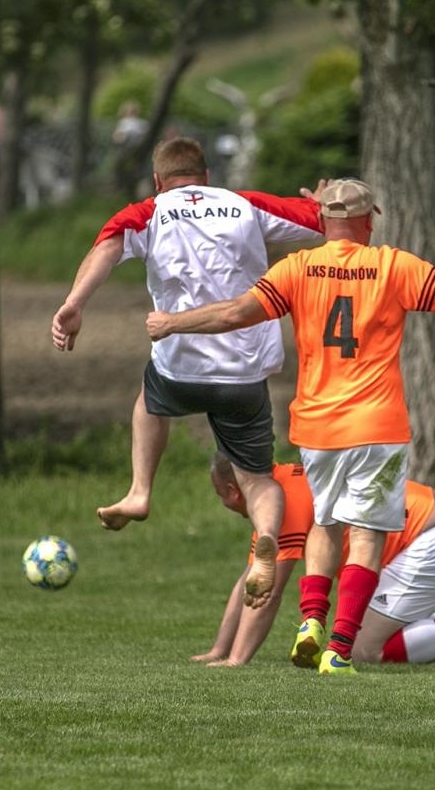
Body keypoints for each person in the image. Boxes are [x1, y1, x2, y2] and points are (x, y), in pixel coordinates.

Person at [147, 179, 435, 674]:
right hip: (375, 425)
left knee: (326, 526)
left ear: (322, 220)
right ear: (369, 220)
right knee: (369, 534)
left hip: (316, 427)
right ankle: (338, 647)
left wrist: (172, 323)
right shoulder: (391, 265)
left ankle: (311, 620)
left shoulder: (296, 267)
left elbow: (233, 313)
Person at [51, 137, 323, 604]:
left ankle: (139, 491)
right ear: (207, 176)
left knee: (149, 401)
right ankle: (267, 533)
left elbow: (107, 248)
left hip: (180, 367)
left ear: (158, 181)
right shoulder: (244, 205)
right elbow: (321, 225)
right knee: (257, 479)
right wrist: (320, 205)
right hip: (243, 373)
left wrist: (74, 304)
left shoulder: (148, 211)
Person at [194, 456, 435, 667]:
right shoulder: (277, 485)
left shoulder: (279, 503)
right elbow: (250, 580)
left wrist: (237, 660)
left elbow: (268, 594)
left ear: (231, 490)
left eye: (218, 495)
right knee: (365, 630)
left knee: (362, 649)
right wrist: (219, 650)